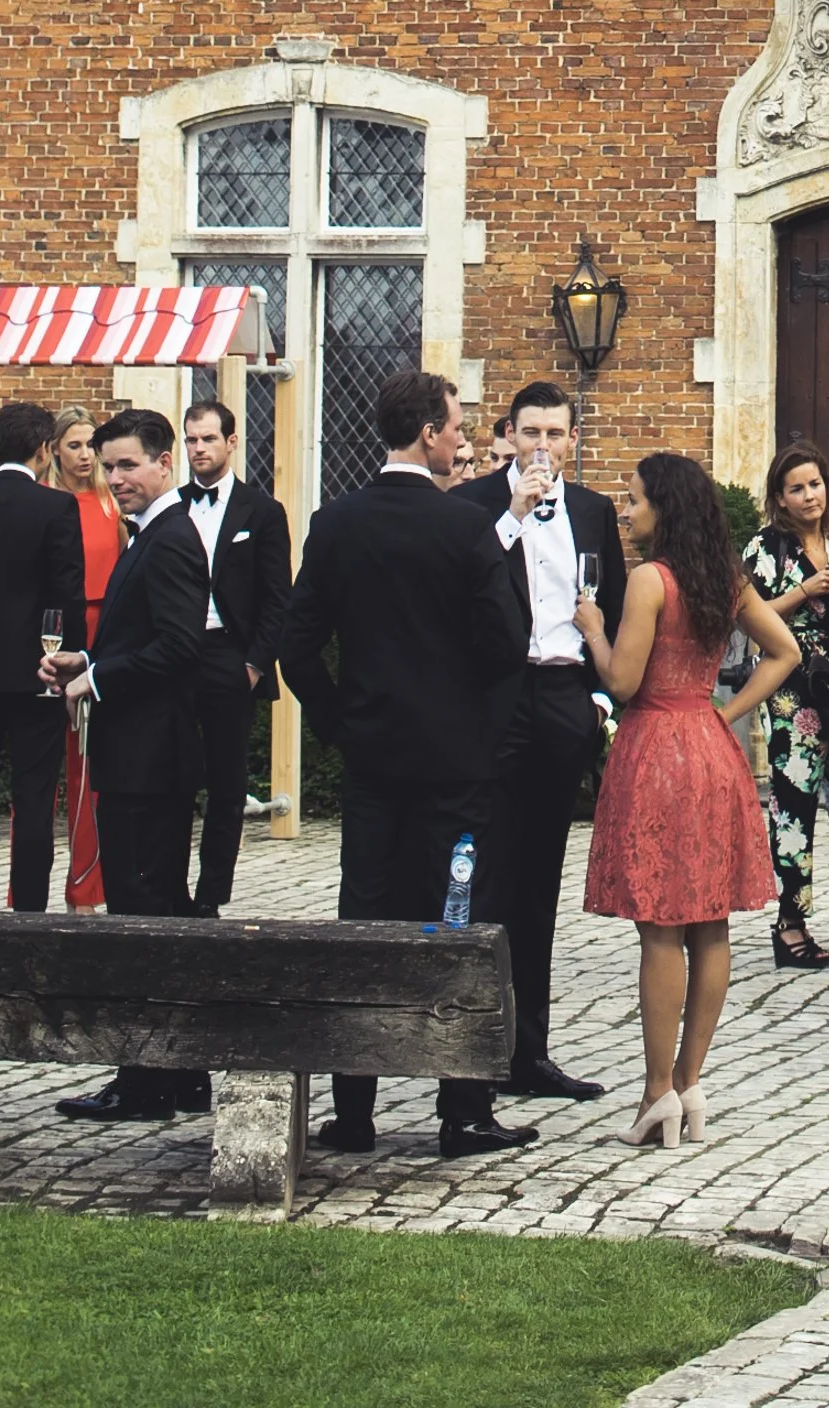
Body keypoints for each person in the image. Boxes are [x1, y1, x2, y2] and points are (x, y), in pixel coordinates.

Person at [280, 367, 532, 1160]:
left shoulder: (337, 522)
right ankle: (461, 1110)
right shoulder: (465, 528)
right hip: (455, 771)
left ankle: (354, 1108)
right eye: (457, 427)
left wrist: (338, 724)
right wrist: (484, 732)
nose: (462, 439)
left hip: (374, 765)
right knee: (455, 924)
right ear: (427, 433)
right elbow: (505, 644)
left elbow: (294, 646)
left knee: (366, 921)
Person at [578, 448, 797, 1150]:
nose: (628, 510)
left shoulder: (650, 580)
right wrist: (724, 715)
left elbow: (622, 681)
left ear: (664, 509)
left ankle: (655, 1091)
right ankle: (690, 1080)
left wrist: (591, 631)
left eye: (636, 499)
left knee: (662, 925)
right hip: (709, 745)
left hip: (656, 753)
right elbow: (786, 651)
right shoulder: (722, 579)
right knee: (711, 924)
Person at [454, 378, 628, 1098]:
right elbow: (458, 592)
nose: (543, 447)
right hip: (496, 700)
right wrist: (513, 515)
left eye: (556, 435)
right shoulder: (470, 507)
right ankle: (476, 1056)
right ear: (509, 436)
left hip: (561, 697)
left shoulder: (592, 510)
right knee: (485, 881)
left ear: (572, 441)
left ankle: (531, 1053)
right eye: (532, 433)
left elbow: (609, 603)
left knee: (539, 882)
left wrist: (593, 695)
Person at [45, 409, 208, 1123]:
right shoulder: (153, 535)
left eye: (128, 465)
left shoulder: (170, 539)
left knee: (146, 921)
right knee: (155, 914)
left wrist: (97, 680)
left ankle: (147, 1082)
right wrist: (86, 659)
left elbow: (178, 649)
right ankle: (180, 1073)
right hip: (141, 757)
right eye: (109, 466)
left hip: (150, 762)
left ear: (164, 463)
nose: (116, 479)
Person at [741, 437, 829, 970]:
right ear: (779, 497)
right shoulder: (763, 549)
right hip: (792, 690)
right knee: (793, 806)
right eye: (796, 488)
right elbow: (750, 616)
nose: (808, 496)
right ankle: (790, 924)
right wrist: (805, 590)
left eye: (815, 485)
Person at [0, 400, 86, 909]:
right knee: (35, 799)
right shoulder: (57, 509)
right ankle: (30, 913)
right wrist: (72, 660)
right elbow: (66, 594)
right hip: (37, 676)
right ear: (43, 449)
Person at [177, 397, 291, 919]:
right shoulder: (170, 506)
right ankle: (167, 885)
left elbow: (276, 597)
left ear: (231, 442)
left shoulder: (262, 512)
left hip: (230, 656)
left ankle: (210, 895)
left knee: (226, 783)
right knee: (172, 774)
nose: (199, 448)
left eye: (207, 439)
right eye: (191, 440)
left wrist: (253, 665)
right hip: (173, 654)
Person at [52, 410, 121, 909]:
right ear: (54, 449)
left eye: (88, 445)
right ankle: (27, 889)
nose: (83, 455)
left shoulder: (111, 502)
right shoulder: (48, 503)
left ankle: (88, 886)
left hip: (106, 635)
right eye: (73, 445)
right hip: (58, 636)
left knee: (93, 768)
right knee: (54, 769)